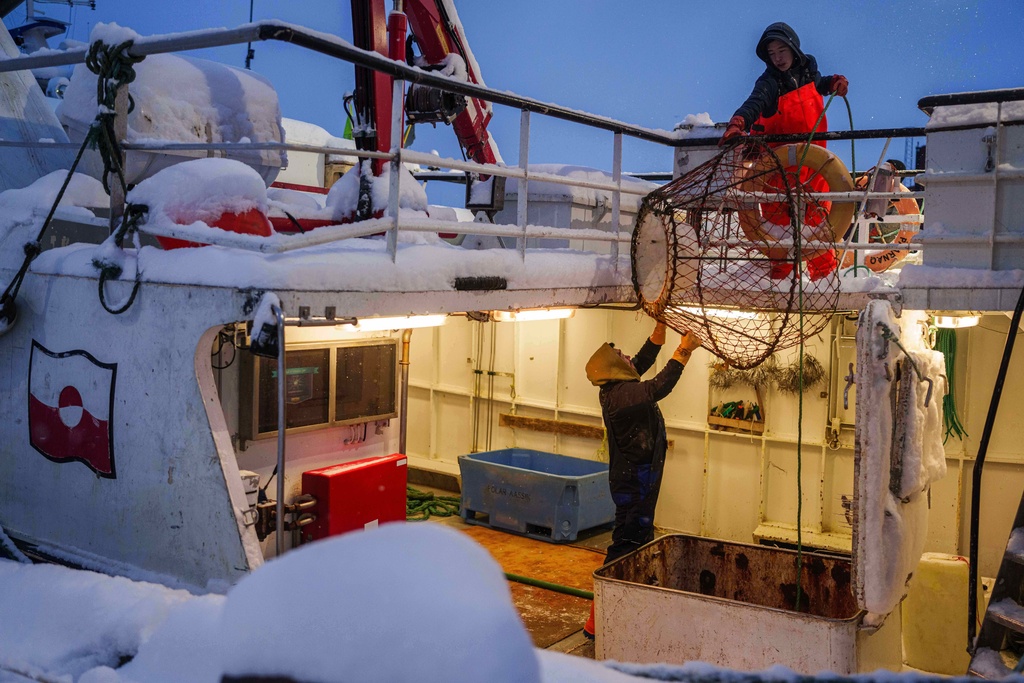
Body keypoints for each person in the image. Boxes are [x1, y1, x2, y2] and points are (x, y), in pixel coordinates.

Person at [581, 320, 702, 639]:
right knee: (627, 543)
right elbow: (656, 387)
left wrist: (659, 333)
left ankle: (628, 608)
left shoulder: (616, 385)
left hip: (637, 478)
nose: (626, 356)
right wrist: (683, 351)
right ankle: (599, 618)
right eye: (620, 355)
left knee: (639, 540)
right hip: (634, 483)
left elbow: (639, 363)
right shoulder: (622, 396)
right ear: (612, 369)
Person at [719, 22, 849, 282]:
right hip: (777, 170)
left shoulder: (809, 72)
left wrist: (834, 82)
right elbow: (753, 104)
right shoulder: (769, 83)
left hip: (814, 167)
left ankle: (824, 280)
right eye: (772, 54)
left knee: (819, 221)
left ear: (793, 48)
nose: (778, 58)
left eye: (782, 51)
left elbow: (820, 84)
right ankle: (781, 281)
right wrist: (738, 123)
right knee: (778, 226)